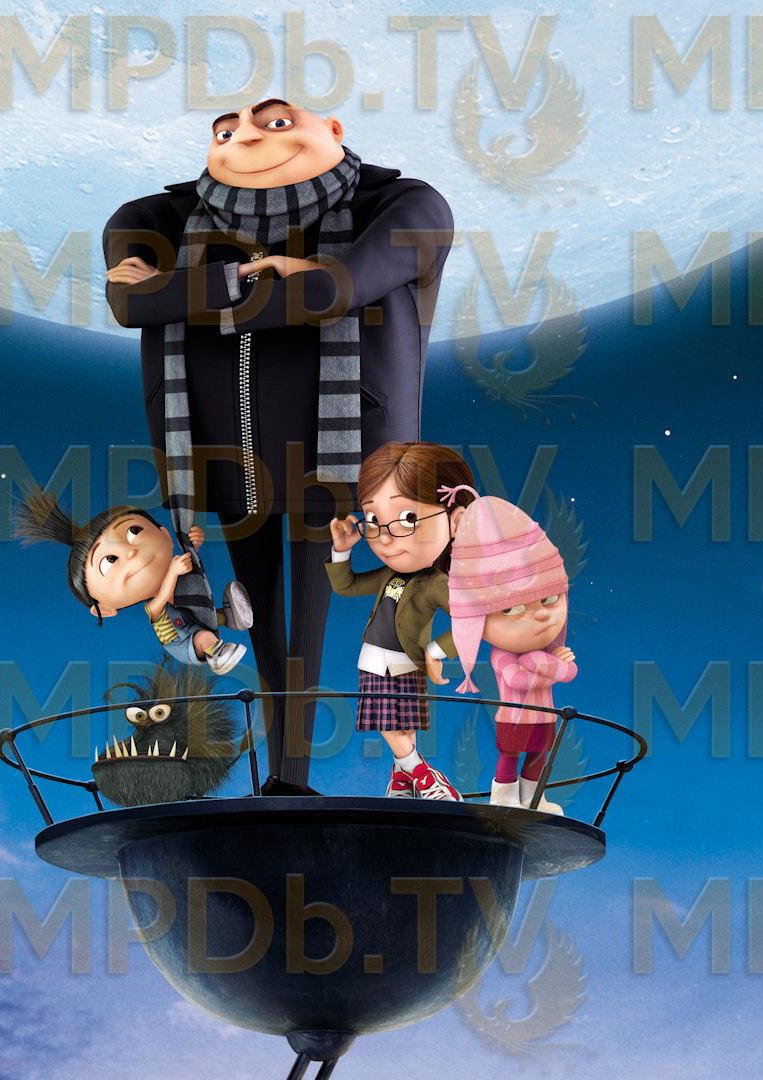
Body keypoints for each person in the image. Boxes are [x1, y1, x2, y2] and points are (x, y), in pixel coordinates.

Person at [102, 97, 455, 795]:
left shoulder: (403, 204)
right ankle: (286, 778)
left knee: (309, 620)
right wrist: (250, 277)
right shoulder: (160, 217)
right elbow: (129, 304)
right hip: (222, 459)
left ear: (335, 132)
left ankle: (294, 778)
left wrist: (188, 291)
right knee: (261, 618)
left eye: (275, 122)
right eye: (225, 131)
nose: (246, 139)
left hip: (341, 456)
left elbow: (332, 290)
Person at [325, 441, 475, 800]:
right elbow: (346, 586)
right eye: (374, 520)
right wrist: (342, 550)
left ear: (456, 521)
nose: (386, 536)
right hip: (373, 660)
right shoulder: (387, 574)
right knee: (390, 724)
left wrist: (436, 650)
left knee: (403, 726)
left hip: (408, 660)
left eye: (408, 518)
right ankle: (420, 776)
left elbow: (471, 619)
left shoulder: (438, 583)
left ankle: (407, 778)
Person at [13, 488, 252, 675]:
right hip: (183, 641)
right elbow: (161, 600)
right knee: (202, 636)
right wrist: (172, 572)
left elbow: (189, 571)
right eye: (109, 561)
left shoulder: (180, 580)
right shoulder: (153, 609)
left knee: (202, 604)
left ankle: (230, 617)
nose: (129, 552)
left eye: (134, 532)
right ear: (104, 608)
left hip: (194, 615)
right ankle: (218, 654)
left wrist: (193, 543)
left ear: (165, 534)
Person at [445, 491, 576, 813]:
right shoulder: (502, 654)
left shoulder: (543, 651)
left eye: (549, 600)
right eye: (512, 608)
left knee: (538, 755)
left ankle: (533, 798)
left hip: (545, 715)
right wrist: (547, 665)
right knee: (510, 755)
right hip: (514, 717)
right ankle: (503, 796)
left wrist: (540, 662)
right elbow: (517, 680)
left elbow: (570, 672)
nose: (541, 616)